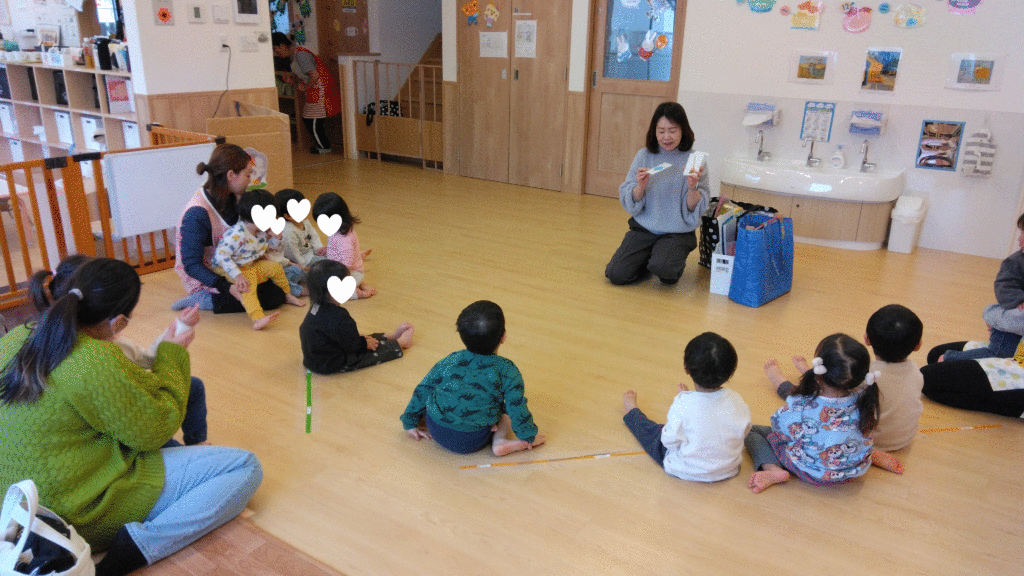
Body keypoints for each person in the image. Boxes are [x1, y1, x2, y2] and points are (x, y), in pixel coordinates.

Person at [0, 258, 262, 576]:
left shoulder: (17, 336)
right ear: (119, 322)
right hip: (76, 511)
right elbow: (155, 428)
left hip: (16, 506)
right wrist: (173, 353)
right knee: (245, 467)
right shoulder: (94, 358)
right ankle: (124, 557)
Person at [28, 255, 208, 446]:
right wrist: (176, 341)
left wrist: (180, 325)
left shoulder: (44, 334)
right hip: (118, 432)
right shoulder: (99, 356)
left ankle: (196, 446)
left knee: (193, 387)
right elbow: (147, 427)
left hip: (116, 417)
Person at [746, 333, 900, 494]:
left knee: (752, 431)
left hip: (814, 474)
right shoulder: (867, 400)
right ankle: (871, 455)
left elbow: (778, 427)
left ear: (818, 372)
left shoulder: (801, 406)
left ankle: (773, 469)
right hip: (854, 469)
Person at [401, 300, 545, 456]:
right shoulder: (508, 370)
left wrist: (410, 421)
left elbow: (424, 388)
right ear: (503, 336)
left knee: (436, 394)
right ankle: (499, 440)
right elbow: (517, 407)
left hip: (436, 430)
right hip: (473, 440)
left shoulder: (450, 360)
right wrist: (528, 437)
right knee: (506, 412)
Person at [173, 143, 287, 314]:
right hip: (212, 275)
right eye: (248, 174)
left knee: (277, 283)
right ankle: (203, 298)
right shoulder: (197, 213)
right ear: (231, 175)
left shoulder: (234, 195)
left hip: (237, 265)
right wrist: (227, 286)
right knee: (272, 297)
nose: (250, 180)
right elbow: (191, 265)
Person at [622, 332, 751, 482]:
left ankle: (632, 412)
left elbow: (668, 441)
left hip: (685, 469)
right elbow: (745, 431)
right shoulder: (736, 400)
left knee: (653, 432)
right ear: (731, 372)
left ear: (686, 368)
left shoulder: (682, 405)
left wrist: (685, 405)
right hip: (728, 470)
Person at [605, 102, 710, 286]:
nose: (666, 137)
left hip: (677, 231)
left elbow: (695, 208)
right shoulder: (644, 155)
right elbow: (629, 197)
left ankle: (661, 259)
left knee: (665, 272)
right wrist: (640, 187)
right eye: (661, 131)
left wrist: (692, 187)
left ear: (683, 130)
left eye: (672, 131)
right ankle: (649, 259)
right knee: (616, 274)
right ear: (654, 132)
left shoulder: (694, 159)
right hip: (645, 228)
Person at [212, 189, 306, 330]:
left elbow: (269, 248)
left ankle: (287, 294)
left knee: (275, 267)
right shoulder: (237, 234)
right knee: (247, 286)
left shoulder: (261, 231)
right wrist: (237, 275)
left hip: (249, 265)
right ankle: (257, 318)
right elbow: (221, 255)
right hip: (228, 269)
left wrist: (277, 237)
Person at [299, 259, 413, 374]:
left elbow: (344, 336)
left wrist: (362, 341)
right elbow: (352, 345)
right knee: (368, 353)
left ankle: (391, 336)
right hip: (330, 363)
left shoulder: (315, 307)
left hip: (314, 359)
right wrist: (363, 344)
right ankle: (401, 343)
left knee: (363, 339)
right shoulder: (338, 315)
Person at [941, 213, 1024, 361]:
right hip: (1009, 329)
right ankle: (950, 359)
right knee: (998, 354)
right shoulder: (1015, 262)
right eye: (1022, 232)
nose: (1020, 238)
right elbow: (1004, 287)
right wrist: (1020, 300)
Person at [863, 304, 925, 452]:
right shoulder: (916, 371)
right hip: (905, 439)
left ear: (867, 339)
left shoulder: (866, 375)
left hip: (871, 444)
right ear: (918, 345)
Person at [271, 32, 341, 154]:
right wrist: (293, 82)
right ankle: (322, 145)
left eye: (275, 49)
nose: (275, 53)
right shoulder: (295, 56)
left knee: (313, 120)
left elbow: (314, 76)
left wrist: (306, 88)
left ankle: (324, 147)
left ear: (282, 45)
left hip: (321, 91)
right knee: (308, 118)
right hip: (314, 91)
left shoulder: (301, 55)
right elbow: (305, 78)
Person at [921, 341, 1024, 418]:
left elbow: (996, 352)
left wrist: (954, 357)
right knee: (935, 355)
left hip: (1018, 369)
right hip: (1016, 349)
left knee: (926, 379)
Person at [311, 192, 375, 298]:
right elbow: (338, 246)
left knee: (331, 292)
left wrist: (335, 278)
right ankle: (360, 284)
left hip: (350, 272)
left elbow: (346, 265)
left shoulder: (345, 239)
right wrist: (328, 249)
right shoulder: (337, 229)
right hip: (346, 268)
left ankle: (358, 292)